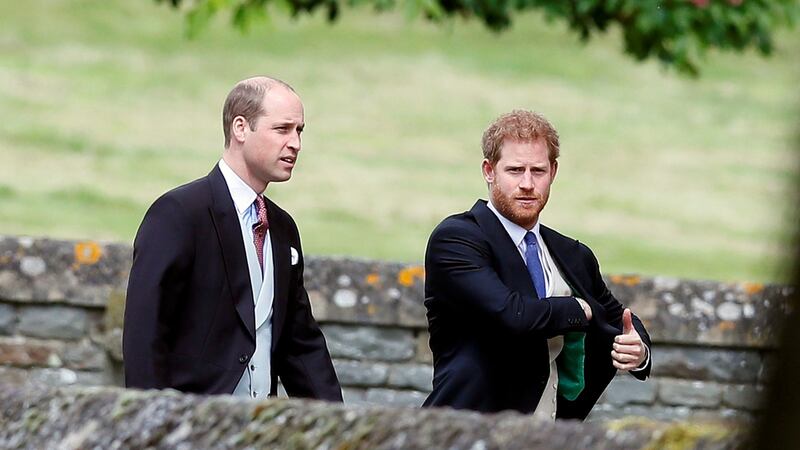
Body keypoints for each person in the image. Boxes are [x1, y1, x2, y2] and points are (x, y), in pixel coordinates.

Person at [123, 76, 342, 402]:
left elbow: (300, 344)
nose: (295, 143)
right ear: (241, 128)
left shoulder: (282, 228)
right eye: (282, 129)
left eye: (300, 131)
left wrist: (338, 427)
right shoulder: (179, 214)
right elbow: (145, 333)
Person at [422, 110, 651, 420]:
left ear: (553, 172)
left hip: (551, 433)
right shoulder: (457, 240)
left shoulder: (573, 254)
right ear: (489, 171)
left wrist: (638, 350)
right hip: (466, 431)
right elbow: (512, 314)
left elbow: (616, 317)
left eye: (538, 171)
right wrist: (578, 310)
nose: (527, 183)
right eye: (515, 170)